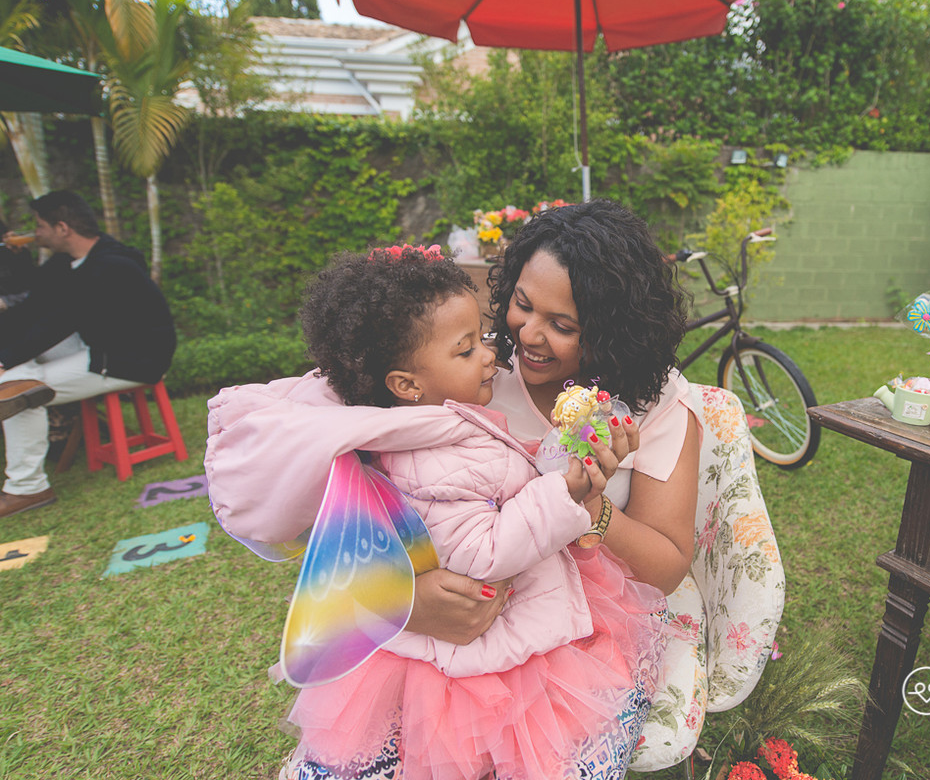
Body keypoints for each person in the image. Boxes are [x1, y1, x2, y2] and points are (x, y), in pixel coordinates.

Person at [206, 199, 701, 775]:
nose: (526, 337)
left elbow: (666, 567)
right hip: (437, 640)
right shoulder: (458, 367)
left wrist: (590, 505)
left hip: (576, 628)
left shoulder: (658, 406)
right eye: (520, 304)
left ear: (614, 332)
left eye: (563, 326)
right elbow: (342, 508)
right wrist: (404, 602)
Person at [0, 191, 176, 518]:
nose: (35, 232)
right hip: (98, 346)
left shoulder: (109, 266)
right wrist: (17, 256)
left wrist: (5, 362)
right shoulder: (74, 261)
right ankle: (15, 382)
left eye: (40, 226)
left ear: (62, 227)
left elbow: (56, 324)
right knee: (16, 376)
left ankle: (28, 488)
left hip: (129, 359)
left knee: (17, 390)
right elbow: (34, 303)